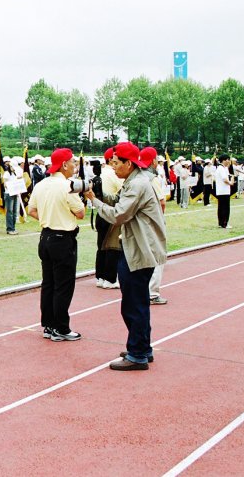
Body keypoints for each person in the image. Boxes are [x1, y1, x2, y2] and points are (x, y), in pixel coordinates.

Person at [85, 142, 166, 370]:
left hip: (138, 249)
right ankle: (142, 348)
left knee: (133, 304)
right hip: (137, 247)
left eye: (115, 162)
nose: (112, 167)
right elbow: (119, 202)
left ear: (128, 163)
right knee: (138, 302)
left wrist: (95, 201)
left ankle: (137, 354)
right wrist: (98, 195)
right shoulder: (135, 180)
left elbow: (119, 215)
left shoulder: (137, 184)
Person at [26, 148, 85, 342]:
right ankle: (61, 327)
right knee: (63, 285)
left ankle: (49, 325)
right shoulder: (67, 186)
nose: (75, 165)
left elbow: (31, 210)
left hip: (46, 237)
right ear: (65, 165)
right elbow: (80, 213)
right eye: (73, 162)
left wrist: (48, 217)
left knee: (48, 283)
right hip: (63, 238)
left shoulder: (41, 184)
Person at [139, 147, 168, 305]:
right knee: (158, 257)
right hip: (152, 223)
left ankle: (144, 290)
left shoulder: (137, 176)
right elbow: (162, 202)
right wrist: (159, 219)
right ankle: (152, 293)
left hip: (140, 222)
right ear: (153, 161)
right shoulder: (152, 179)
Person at [95, 147, 123, 289]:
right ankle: (110, 278)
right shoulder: (113, 174)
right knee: (112, 246)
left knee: (101, 246)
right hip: (111, 212)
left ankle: (100, 277)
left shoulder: (100, 173)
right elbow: (122, 191)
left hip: (100, 213)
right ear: (111, 160)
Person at [2, 158, 20, 235]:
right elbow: (5, 184)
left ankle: (13, 227)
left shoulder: (14, 174)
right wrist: (11, 187)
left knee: (14, 212)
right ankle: (10, 229)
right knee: (10, 212)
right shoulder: (7, 173)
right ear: (10, 166)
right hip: (9, 194)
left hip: (15, 193)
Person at [215, 154, 233, 229]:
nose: (229, 161)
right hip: (223, 191)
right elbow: (225, 179)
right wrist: (230, 183)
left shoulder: (225, 168)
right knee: (225, 208)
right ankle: (224, 223)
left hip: (223, 190)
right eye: (227, 160)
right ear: (223, 160)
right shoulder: (221, 168)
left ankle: (221, 223)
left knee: (221, 207)